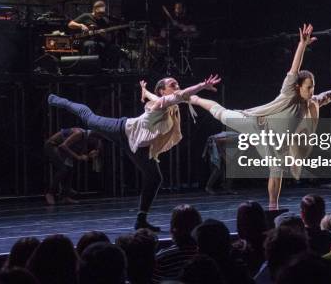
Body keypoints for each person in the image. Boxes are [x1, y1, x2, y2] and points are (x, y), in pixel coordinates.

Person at [186, 24, 331, 209]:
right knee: (221, 113)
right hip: (257, 125)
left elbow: (325, 97)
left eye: (313, 86)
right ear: (298, 87)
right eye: (308, 87)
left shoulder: (310, 103)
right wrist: (302, 45)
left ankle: (272, 207)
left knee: (276, 170)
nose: (311, 90)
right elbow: (294, 70)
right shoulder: (288, 93)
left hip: (276, 143)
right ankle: (194, 98)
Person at [47, 74, 221, 231]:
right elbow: (181, 95)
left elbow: (176, 96)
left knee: (154, 178)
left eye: (177, 84)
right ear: (162, 91)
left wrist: (145, 91)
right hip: (121, 129)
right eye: (172, 84)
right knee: (88, 117)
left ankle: (141, 219)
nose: (177, 87)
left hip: (137, 147)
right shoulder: (160, 104)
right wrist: (202, 85)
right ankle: (56, 99)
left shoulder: (166, 103)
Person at [44, 128, 102, 205]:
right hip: (52, 146)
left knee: (70, 169)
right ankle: (50, 193)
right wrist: (78, 157)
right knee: (63, 169)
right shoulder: (79, 134)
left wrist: (96, 151)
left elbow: (99, 143)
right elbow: (63, 146)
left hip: (62, 149)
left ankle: (65, 196)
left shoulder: (87, 138)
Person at [68, 0, 123, 67]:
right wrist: (81, 25)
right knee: (91, 45)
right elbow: (70, 24)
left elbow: (109, 36)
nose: (101, 15)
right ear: (94, 10)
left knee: (115, 48)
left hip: (101, 42)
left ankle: (111, 70)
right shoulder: (86, 16)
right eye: (99, 13)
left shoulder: (105, 20)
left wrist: (104, 35)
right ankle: (90, 68)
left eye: (102, 13)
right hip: (85, 40)